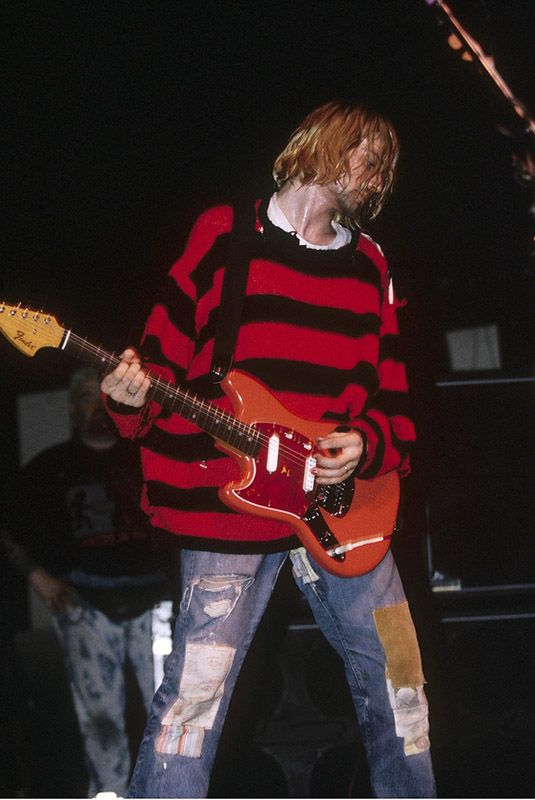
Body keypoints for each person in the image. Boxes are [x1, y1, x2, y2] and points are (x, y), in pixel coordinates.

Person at [101, 100, 437, 798]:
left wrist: (366, 442)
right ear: (323, 143)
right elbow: (160, 351)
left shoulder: (370, 263)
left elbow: (394, 394)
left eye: (387, 166)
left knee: (401, 680)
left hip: (343, 507)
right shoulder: (224, 233)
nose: (378, 174)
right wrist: (128, 395)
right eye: (367, 154)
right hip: (228, 508)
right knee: (195, 700)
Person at [7, 367, 173, 798]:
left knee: (171, 719)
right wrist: (40, 580)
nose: (98, 406)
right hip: (86, 606)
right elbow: (8, 527)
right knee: (101, 724)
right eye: (86, 397)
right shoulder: (48, 468)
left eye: (104, 396)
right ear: (71, 408)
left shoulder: (145, 456)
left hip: (155, 603)